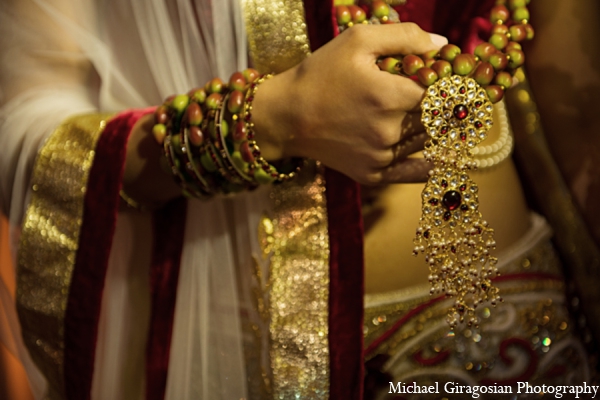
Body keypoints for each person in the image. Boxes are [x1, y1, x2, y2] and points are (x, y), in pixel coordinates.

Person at [0, 0, 598, 399]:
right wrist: (269, 123)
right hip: (247, 343)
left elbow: (574, 102)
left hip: (508, 323)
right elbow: (23, 126)